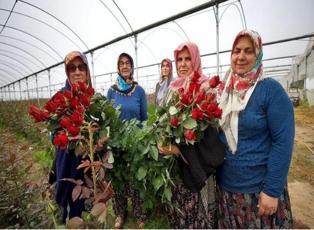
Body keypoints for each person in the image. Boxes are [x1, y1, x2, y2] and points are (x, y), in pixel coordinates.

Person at [217, 29, 294, 228]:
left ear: (258, 54)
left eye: (248, 51)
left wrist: (272, 190)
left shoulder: (270, 90)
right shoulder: (224, 92)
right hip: (227, 188)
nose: (241, 56)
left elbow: (283, 141)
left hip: (259, 191)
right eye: (236, 51)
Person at [158, 42, 225, 229]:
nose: (183, 64)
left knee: (199, 216)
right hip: (178, 168)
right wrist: (164, 142)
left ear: (195, 60)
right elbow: (164, 125)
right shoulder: (172, 89)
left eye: (188, 59)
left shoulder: (206, 88)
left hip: (199, 165)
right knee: (181, 214)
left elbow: (210, 132)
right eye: (179, 59)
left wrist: (181, 149)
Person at [48, 51, 92, 223]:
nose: (77, 72)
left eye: (81, 67)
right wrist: (69, 140)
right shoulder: (59, 98)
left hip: (89, 164)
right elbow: (53, 136)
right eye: (72, 68)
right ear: (67, 72)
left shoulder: (93, 99)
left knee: (88, 209)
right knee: (70, 210)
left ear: (87, 71)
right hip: (67, 165)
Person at [107, 52, 148, 229]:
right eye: (121, 63)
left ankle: (139, 214)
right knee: (118, 180)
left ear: (132, 67)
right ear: (118, 67)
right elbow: (107, 118)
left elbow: (144, 119)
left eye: (127, 63)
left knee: (136, 180)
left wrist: (144, 140)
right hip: (116, 144)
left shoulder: (139, 91)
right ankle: (120, 213)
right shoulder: (111, 91)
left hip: (136, 143)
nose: (124, 66)